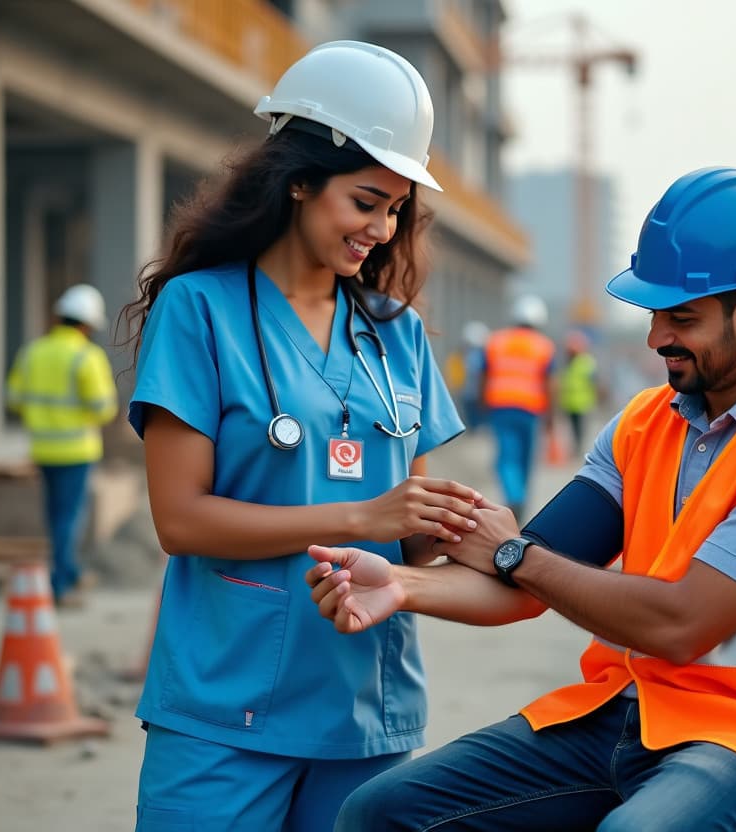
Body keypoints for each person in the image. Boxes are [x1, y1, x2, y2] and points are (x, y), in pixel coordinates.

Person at [307, 167, 736, 831]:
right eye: (655, 313)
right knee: (381, 813)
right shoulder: (646, 421)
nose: (658, 336)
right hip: (631, 711)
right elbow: (527, 583)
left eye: (681, 317)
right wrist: (401, 585)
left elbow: (678, 624)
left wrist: (514, 552)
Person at [119, 41, 481, 832]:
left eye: (395, 209)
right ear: (298, 183)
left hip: (367, 713)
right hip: (225, 706)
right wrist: (360, 518)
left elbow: (413, 531)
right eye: (365, 202)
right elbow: (180, 521)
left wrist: (480, 535)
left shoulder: (399, 335)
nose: (382, 229)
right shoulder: (200, 310)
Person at [6, 283, 118, 607]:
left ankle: (69, 571)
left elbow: (13, 398)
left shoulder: (32, 352)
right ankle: (60, 584)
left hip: (42, 449)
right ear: (87, 324)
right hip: (76, 450)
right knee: (69, 518)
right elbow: (104, 409)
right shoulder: (87, 356)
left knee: (56, 515)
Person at [481, 295, 555, 521]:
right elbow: (550, 383)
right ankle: (520, 499)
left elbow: (483, 374)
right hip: (531, 409)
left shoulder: (495, 341)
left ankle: (514, 495)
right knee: (525, 458)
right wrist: (551, 414)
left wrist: (481, 402)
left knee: (506, 457)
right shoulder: (544, 345)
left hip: (501, 406)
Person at [557, 328, 601, 457]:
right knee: (572, 428)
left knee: (579, 429)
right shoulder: (568, 362)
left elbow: (594, 381)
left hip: (582, 402)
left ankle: (577, 449)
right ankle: (575, 448)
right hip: (570, 402)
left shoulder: (586, 362)